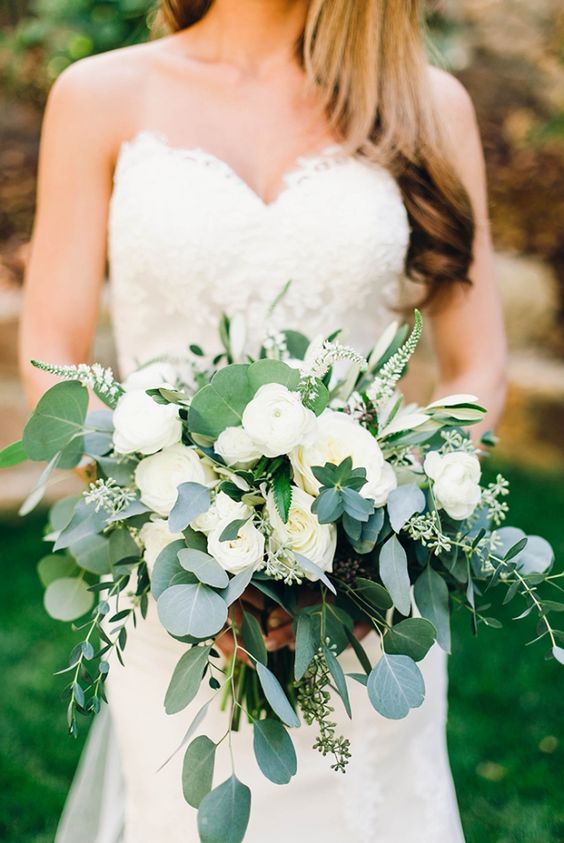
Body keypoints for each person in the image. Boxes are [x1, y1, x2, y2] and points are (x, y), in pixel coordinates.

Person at [20, 1, 507, 840]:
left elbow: (479, 364)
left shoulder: (426, 103)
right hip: (176, 597)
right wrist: (189, 544)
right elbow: (50, 357)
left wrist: (370, 550)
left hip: (370, 611)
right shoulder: (100, 95)